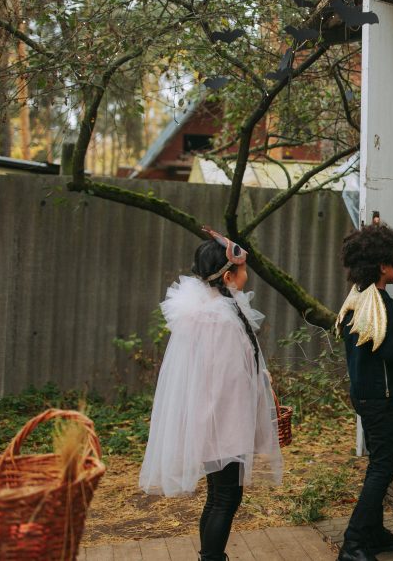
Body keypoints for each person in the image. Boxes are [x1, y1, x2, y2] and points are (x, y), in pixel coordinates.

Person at [139, 228, 282, 561]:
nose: (247, 274)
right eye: (243, 269)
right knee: (225, 499)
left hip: (211, 419)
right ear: (230, 275)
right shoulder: (220, 320)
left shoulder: (210, 311)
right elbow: (228, 381)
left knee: (219, 496)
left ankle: (210, 556)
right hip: (222, 422)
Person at [335, 221, 393, 561]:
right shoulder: (383, 304)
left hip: (363, 394)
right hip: (381, 397)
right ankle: (354, 543)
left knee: (378, 462)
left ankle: (373, 533)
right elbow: (388, 350)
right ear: (382, 266)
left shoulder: (357, 299)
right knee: (384, 467)